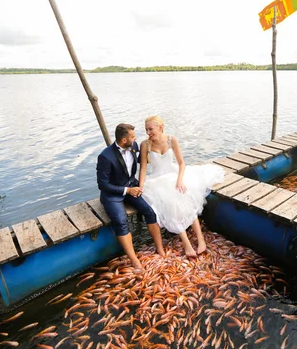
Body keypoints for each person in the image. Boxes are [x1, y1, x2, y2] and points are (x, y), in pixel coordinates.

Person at [138, 116, 224, 257]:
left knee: (185, 196)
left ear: (160, 127)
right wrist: (141, 186)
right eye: (146, 129)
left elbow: (181, 164)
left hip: (175, 175)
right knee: (170, 202)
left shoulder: (171, 140)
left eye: (151, 129)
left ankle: (201, 239)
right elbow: (142, 169)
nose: (148, 132)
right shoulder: (145, 145)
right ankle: (186, 243)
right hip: (157, 179)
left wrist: (179, 180)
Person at [96, 123, 166, 270]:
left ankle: (160, 249)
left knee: (149, 212)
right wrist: (127, 191)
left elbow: (145, 161)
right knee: (121, 221)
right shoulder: (105, 157)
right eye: (133, 137)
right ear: (123, 140)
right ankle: (134, 260)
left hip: (131, 186)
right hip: (113, 193)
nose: (135, 139)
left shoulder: (133, 147)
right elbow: (103, 185)